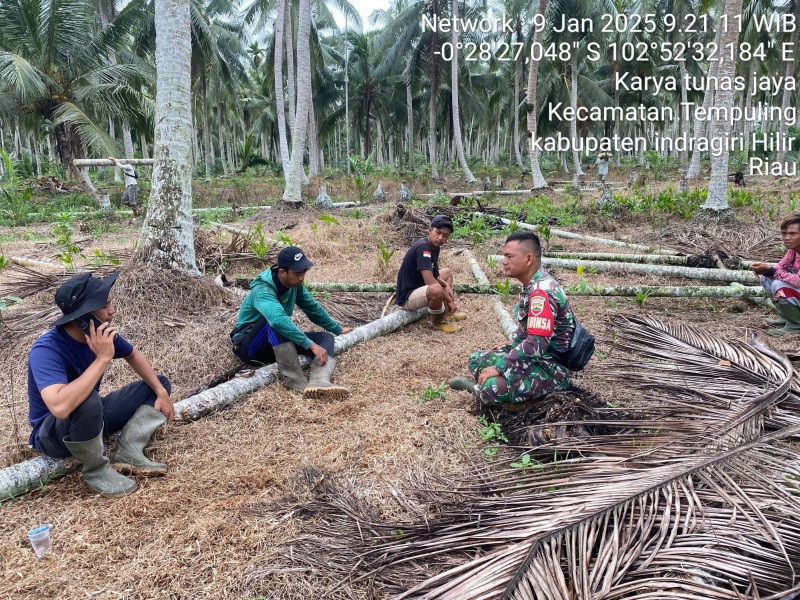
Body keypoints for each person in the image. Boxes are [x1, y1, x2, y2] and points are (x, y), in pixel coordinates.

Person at [27, 272, 173, 498]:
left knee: (156, 384)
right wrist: (102, 359)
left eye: (111, 303)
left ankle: (128, 451)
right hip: (54, 435)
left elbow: (133, 355)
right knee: (88, 399)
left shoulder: (99, 333)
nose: (112, 311)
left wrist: (162, 393)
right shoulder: (46, 350)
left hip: (90, 416)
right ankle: (96, 469)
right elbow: (59, 407)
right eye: (105, 306)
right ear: (83, 317)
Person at [450, 232, 576, 405]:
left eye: (509, 256)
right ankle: (509, 391)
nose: (504, 261)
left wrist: (500, 367)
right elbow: (533, 333)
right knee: (477, 360)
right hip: (538, 357)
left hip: (550, 368)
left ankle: (484, 391)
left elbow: (536, 344)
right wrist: (514, 342)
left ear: (528, 258)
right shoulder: (533, 285)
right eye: (504, 256)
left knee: (490, 387)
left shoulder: (542, 292)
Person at [230, 246, 353, 398]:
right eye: (297, 273)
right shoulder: (263, 290)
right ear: (282, 272)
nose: (302, 277)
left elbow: (312, 308)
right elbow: (277, 321)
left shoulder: (295, 285)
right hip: (250, 347)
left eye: (304, 272)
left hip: (275, 345)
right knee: (275, 321)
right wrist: (310, 345)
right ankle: (295, 381)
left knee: (326, 338)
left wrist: (337, 329)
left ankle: (320, 380)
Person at [394, 214, 466, 333]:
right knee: (436, 289)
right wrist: (450, 300)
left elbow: (435, 275)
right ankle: (438, 322)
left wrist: (447, 285)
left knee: (447, 273)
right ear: (430, 229)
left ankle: (447, 313)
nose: (440, 238)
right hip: (408, 296)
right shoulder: (423, 247)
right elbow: (429, 281)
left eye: (445, 235)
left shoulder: (435, 247)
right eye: (438, 232)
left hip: (420, 287)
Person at [751, 214, 800, 335]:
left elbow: (798, 281)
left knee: (779, 286)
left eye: (792, 234)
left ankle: (796, 325)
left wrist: (772, 271)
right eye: (784, 233)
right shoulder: (793, 251)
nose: (787, 238)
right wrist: (765, 271)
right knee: (766, 279)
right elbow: (781, 266)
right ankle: (787, 316)